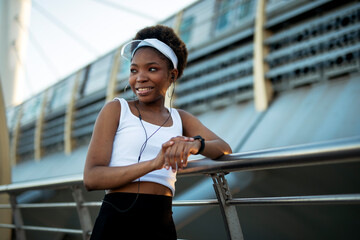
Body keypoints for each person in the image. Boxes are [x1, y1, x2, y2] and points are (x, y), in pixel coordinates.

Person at [83, 24, 232, 240]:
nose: (140, 78)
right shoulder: (117, 109)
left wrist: (195, 145)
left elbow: (225, 149)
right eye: (134, 70)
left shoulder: (181, 118)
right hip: (116, 223)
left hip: (161, 223)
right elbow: (92, 178)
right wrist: (155, 162)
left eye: (152, 69)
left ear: (172, 75)